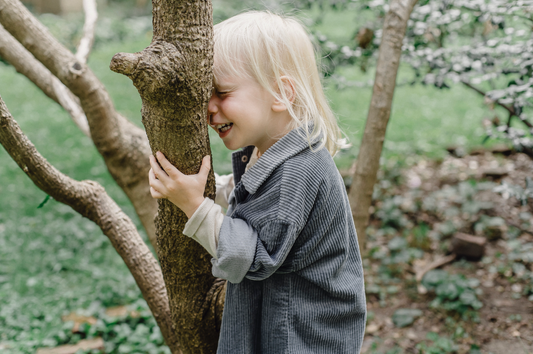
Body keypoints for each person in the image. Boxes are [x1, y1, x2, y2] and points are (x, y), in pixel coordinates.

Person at [148, 11, 366, 353]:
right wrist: (216, 189)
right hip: (282, 317)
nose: (209, 108)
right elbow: (257, 200)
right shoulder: (272, 150)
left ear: (281, 93)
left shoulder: (299, 170)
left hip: (299, 335)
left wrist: (194, 205)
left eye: (221, 92)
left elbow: (255, 258)